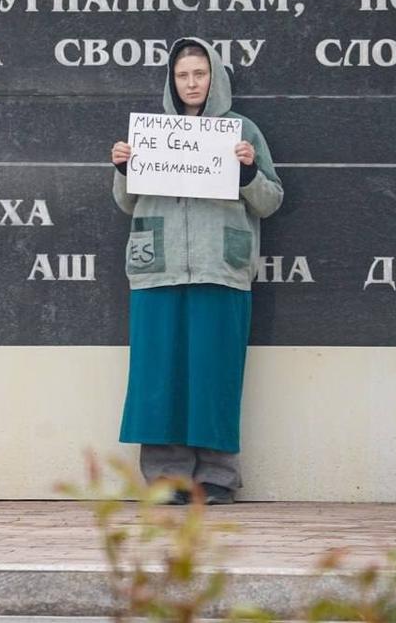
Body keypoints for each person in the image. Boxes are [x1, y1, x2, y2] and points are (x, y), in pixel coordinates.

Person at [110, 36, 283, 505]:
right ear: (172, 80)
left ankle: (216, 480)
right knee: (158, 375)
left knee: (215, 373)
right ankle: (167, 482)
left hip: (219, 268)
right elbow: (125, 202)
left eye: (200, 74)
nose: (192, 83)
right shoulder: (151, 132)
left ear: (216, 78)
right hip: (158, 268)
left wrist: (247, 173)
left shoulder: (242, 131)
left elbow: (270, 200)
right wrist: (123, 167)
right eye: (183, 75)